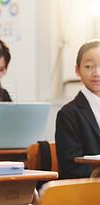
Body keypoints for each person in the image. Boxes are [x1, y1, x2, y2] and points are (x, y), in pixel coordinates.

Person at [55, 40, 100, 179]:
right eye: (89, 66)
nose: (97, 73)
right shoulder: (68, 114)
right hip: (88, 191)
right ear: (77, 70)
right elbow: (72, 168)